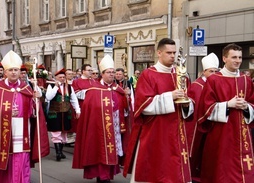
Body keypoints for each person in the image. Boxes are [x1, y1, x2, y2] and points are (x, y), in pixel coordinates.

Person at [123, 38, 194, 182]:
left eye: (174, 53)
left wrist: (187, 104)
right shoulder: (148, 74)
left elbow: (190, 100)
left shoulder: (181, 75)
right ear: (159, 53)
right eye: (169, 52)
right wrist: (170, 96)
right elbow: (143, 106)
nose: (173, 56)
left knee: (176, 171)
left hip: (178, 132)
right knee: (158, 170)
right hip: (156, 132)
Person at [0, 50, 50, 182]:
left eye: (16, 70)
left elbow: (33, 114)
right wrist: (7, 113)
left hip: (22, 132)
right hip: (2, 133)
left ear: (20, 71)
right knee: (2, 163)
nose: (13, 72)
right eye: (10, 70)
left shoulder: (27, 89)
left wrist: (36, 103)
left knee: (21, 161)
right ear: (5, 72)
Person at [197, 43, 254, 183]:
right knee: (222, 172)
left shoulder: (246, 80)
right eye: (234, 57)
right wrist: (228, 105)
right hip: (221, 135)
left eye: (240, 57)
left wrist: (247, 107)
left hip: (243, 135)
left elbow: (253, 103)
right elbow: (204, 110)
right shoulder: (214, 80)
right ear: (224, 58)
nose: (238, 60)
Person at [72, 55, 128, 183]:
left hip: (114, 126)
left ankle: (108, 174)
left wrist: (127, 98)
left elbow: (124, 107)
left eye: (113, 72)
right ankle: (101, 176)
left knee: (112, 150)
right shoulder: (93, 90)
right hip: (98, 126)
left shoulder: (118, 89)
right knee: (99, 151)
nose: (112, 74)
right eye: (109, 72)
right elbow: (90, 109)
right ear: (102, 74)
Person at [186, 52, 219, 182]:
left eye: (216, 71)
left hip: (212, 124)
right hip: (196, 125)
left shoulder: (217, 84)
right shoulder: (196, 85)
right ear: (204, 71)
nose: (214, 74)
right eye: (211, 71)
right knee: (196, 152)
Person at [45, 68, 81, 161]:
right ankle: (58, 153)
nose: (62, 79)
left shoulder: (69, 87)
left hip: (66, 112)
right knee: (56, 132)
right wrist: (56, 87)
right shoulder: (51, 86)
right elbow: (48, 97)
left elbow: (73, 99)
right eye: (60, 77)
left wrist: (77, 110)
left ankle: (61, 151)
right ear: (56, 78)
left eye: (63, 77)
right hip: (55, 112)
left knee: (64, 132)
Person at [69, 64, 96, 144]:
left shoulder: (94, 81)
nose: (91, 72)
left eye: (91, 70)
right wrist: (89, 92)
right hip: (82, 106)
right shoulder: (77, 81)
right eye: (89, 70)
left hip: (92, 107)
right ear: (83, 71)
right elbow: (75, 94)